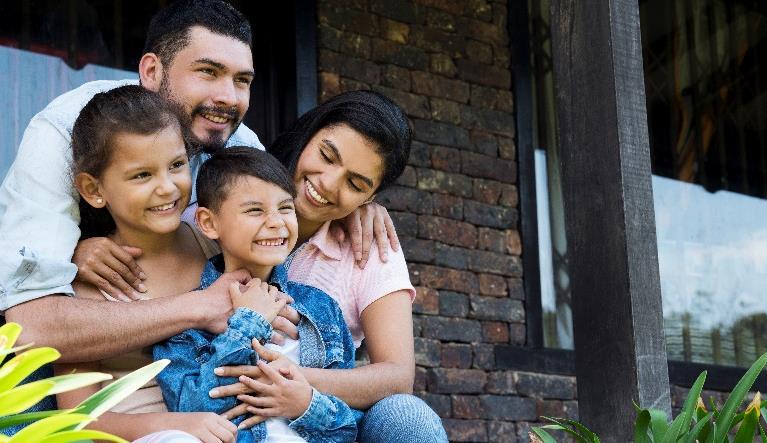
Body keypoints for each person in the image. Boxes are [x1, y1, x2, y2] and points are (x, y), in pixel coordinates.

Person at [212, 91, 448, 442]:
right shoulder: (230, 194)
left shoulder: (369, 245)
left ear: (369, 198)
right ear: (309, 134)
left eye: (355, 184)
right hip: (215, 409)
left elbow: (398, 376)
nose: (327, 183)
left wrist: (293, 382)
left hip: (319, 422)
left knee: (407, 417)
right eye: (326, 155)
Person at [54, 85, 237, 442]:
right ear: (93, 190)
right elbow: (77, 419)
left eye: (177, 165)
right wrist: (176, 426)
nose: (167, 187)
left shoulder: (213, 243)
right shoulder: (91, 280)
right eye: (142, 175)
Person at [155, 147, 360, 442]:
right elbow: (192, 412)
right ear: (209, 223)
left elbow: (350, 429)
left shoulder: (321, 309)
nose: (277, 222)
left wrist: (306, 405)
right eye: (255, 210)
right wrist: (248, 323)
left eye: (286, 208)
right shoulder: (187, 321)